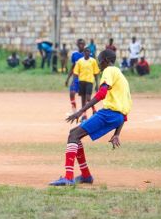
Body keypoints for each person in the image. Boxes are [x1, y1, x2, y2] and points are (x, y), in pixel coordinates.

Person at [49, 48, 132, 186]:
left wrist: (80, 111)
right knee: (75, 135)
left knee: (73, 136)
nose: (98, 65)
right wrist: (117, 133)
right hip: (118, 117)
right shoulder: (121, 76)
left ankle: (68, 177)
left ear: (105, 61)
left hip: (108, 114)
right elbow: (125, 108)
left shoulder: (108, 71)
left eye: (99, 61)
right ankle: (86, 176)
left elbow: (102, 93)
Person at [73, 46, 100, 121]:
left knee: (88, 98)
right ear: (83, 53)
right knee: (83, 98)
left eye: (88, 51)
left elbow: (96, 73)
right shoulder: (80, 61)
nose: (87, 53)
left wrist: (97, 84)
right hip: (81, 81)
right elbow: (75, 72)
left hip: (89, 81)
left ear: (90, 53)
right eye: (86, 51)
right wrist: (74, 82)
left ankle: (94, 109)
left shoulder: (93, 61)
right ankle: (84, 115)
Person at [64, 39, 86, 112]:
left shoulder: (87, 54)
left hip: (84, 78)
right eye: (79, 44)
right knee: (72, 93)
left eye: (82, 44)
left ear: (84, 45)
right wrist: (67, 79)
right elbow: (73, 66)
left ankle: (84, 113)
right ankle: (74, 110)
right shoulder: (74, 54)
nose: (81, 45)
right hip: (76, 77)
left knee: (84, 96)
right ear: (77, 45)